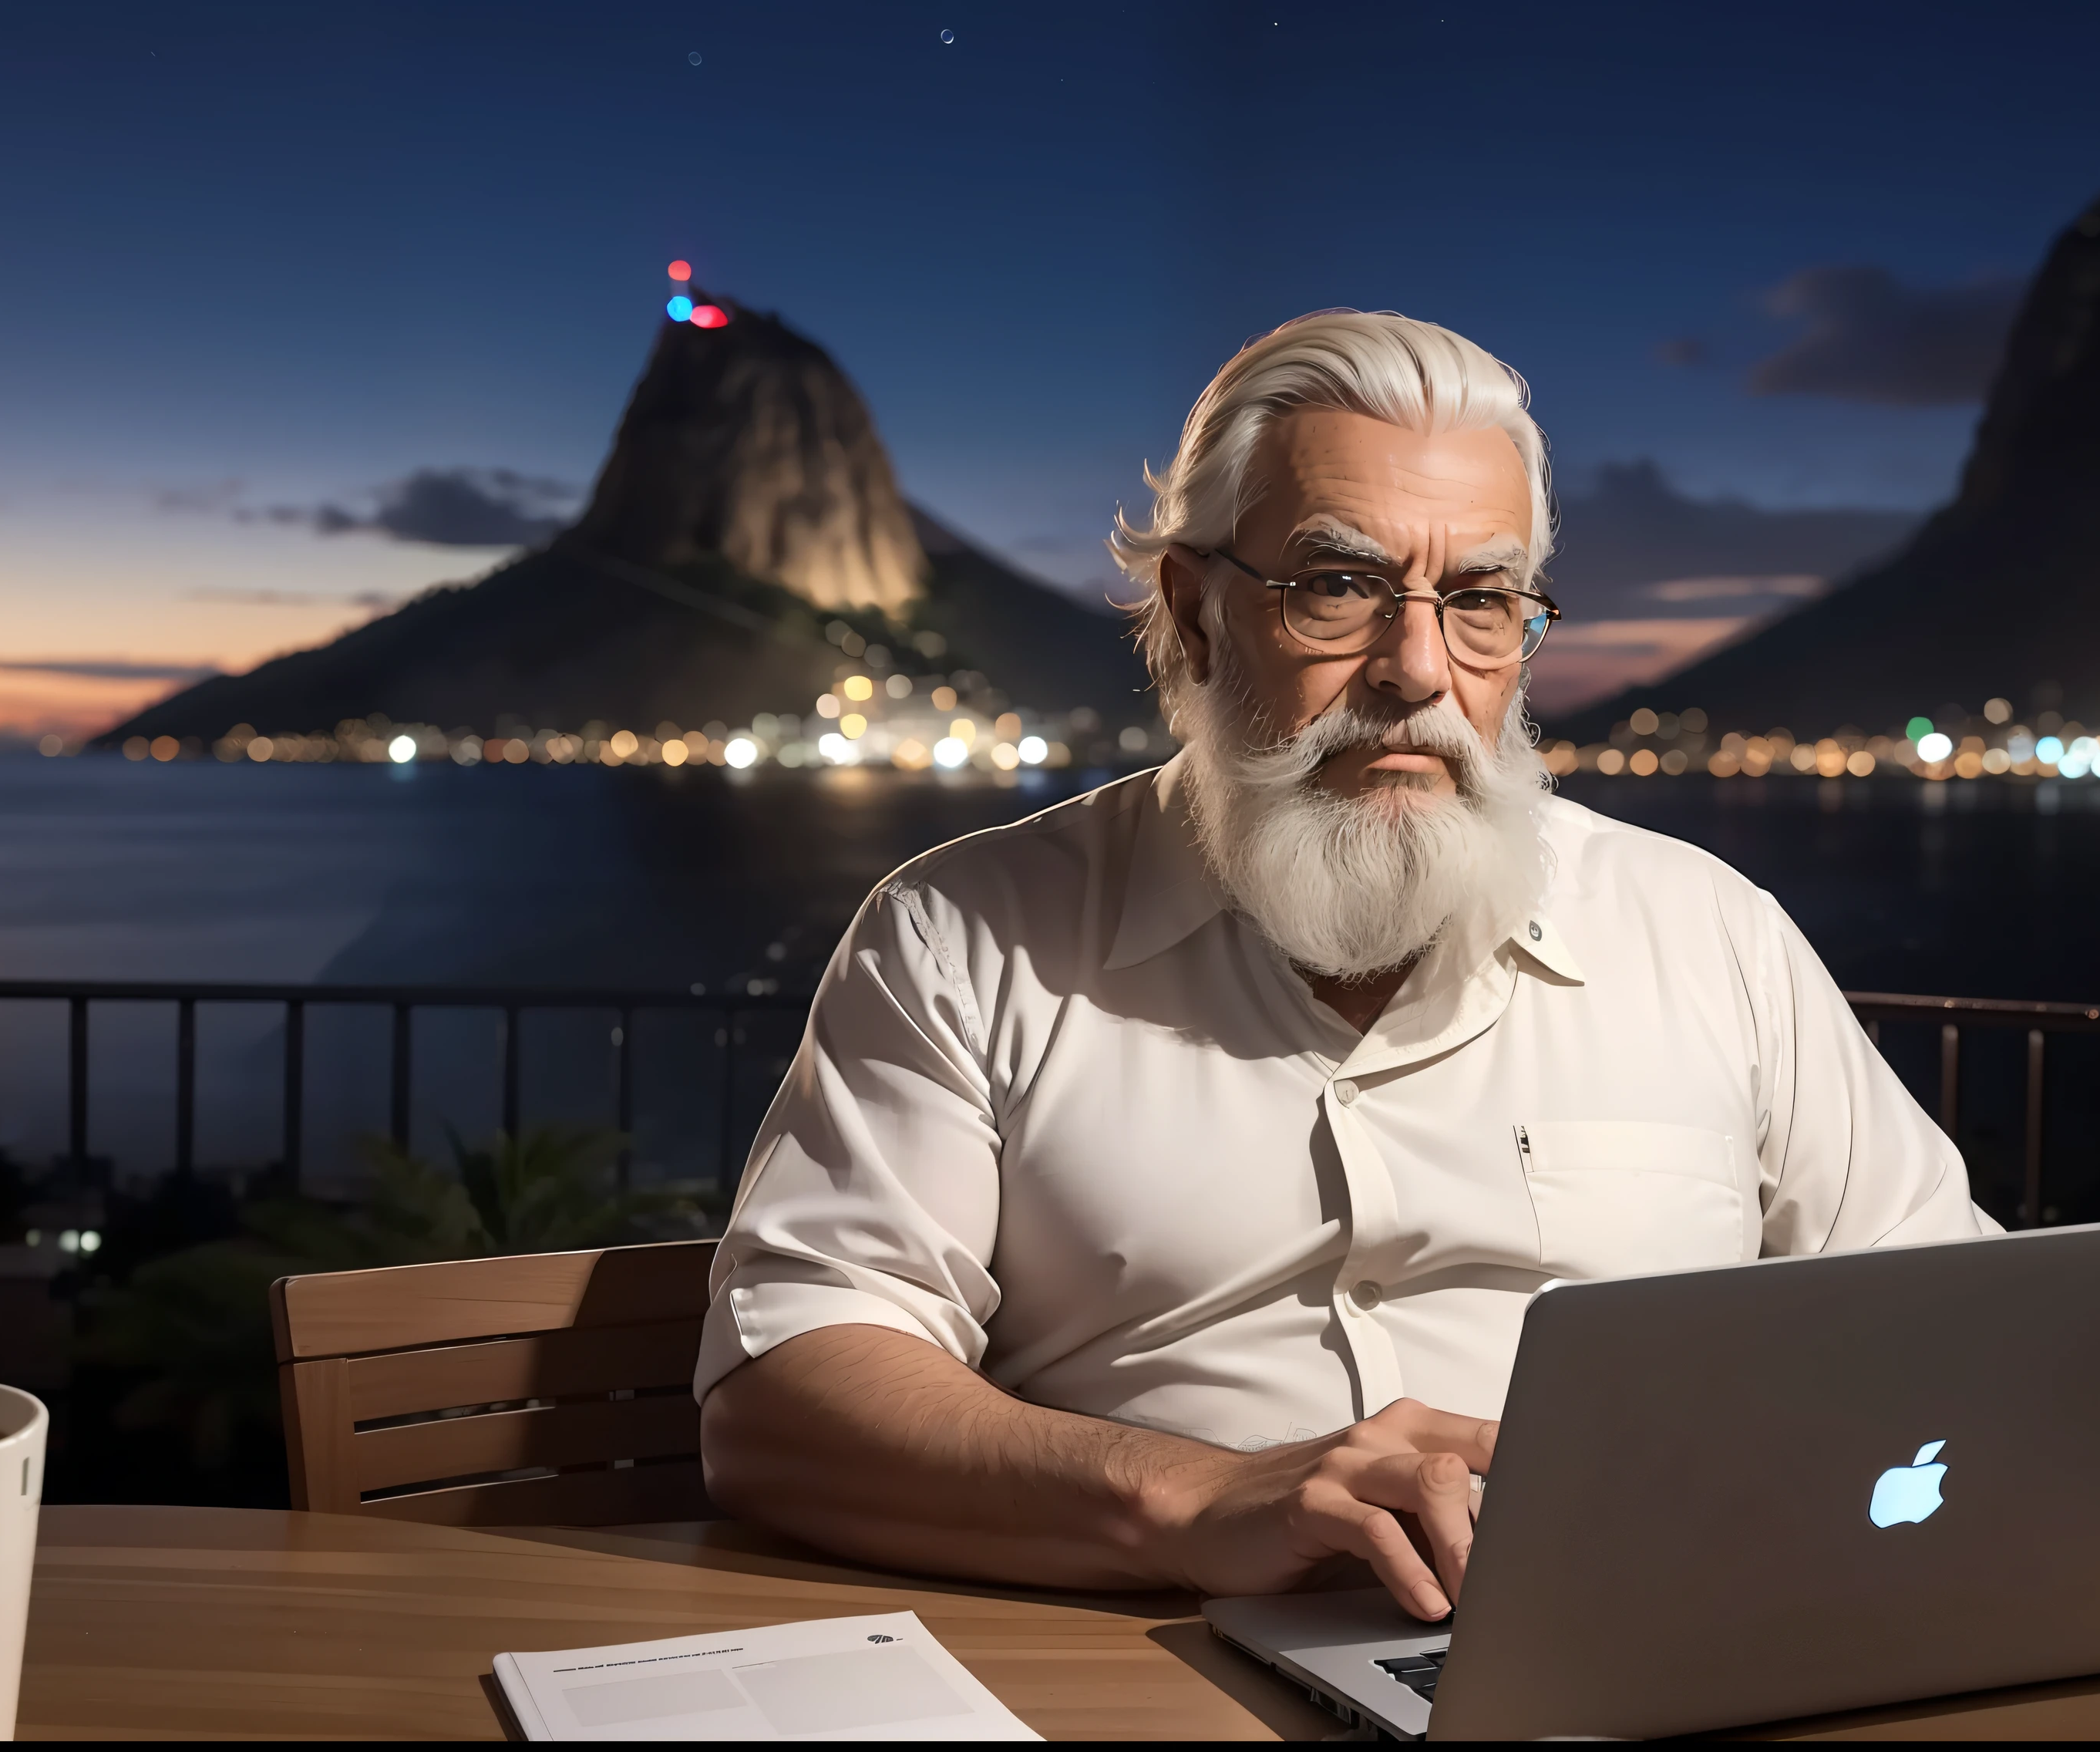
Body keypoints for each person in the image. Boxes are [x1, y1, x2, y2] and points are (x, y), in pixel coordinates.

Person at [695, 309, 1997, 1622]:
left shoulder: (1711, 934)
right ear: (1196, 616)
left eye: (1481, 601)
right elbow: (783, 1395)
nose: (1418, 669)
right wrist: (1195, 1500)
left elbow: (1957, 1322)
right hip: (1153, 1673)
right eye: (1338, 587)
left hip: (1659, 1647)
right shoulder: (959, 937)